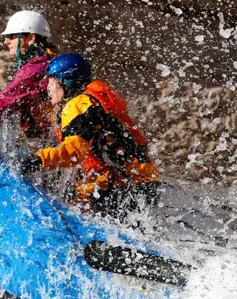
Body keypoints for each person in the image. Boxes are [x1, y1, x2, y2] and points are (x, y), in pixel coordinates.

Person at [18, 53, 160, 220]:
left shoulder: (80, 104)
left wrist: (36, 161)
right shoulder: (95, 99)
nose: (47, 87)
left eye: (51, 80)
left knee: (110, 241)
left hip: (122, 186)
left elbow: (73, 152)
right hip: (141, 181)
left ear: (66, 81)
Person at [0, 10, 58, 139]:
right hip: (51, 137)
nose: (6, 42)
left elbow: (1, 105)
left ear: (31, 38)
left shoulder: (35, 69)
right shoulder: (46, 60)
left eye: (12, 36)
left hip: (55, 141)